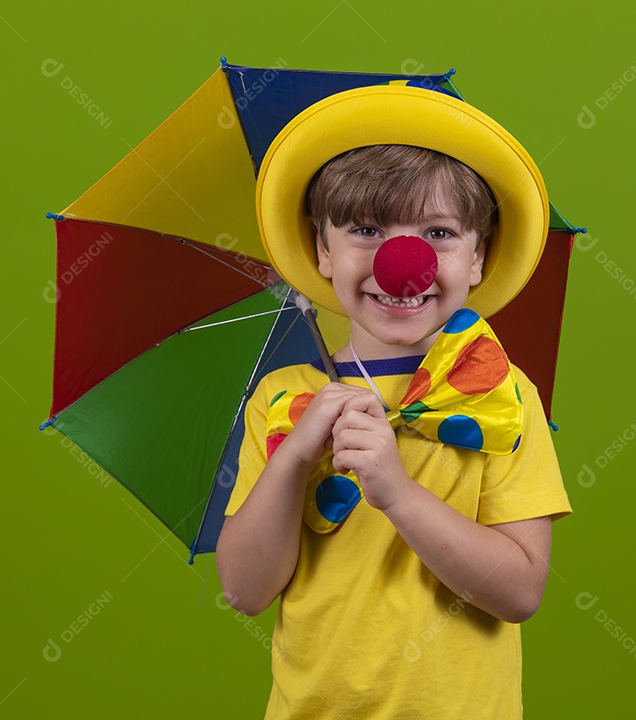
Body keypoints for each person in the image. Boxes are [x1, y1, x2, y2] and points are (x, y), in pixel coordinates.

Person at [216, 84, 572, 719]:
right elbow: (244, 589)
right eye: (365, 229)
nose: (399, 262)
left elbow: (519, 592)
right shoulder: (283, 397)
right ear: (322, 250)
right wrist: (295, 458)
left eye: (437, 232)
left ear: (478, 257)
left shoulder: (501, 393)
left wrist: (397, 492)